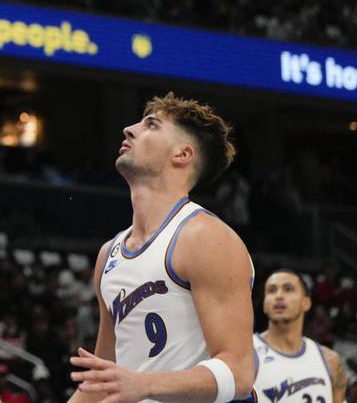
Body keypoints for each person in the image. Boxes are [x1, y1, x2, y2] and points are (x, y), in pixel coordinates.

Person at [67, 94, 257, 403]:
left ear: (182, 154)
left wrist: (145, 384)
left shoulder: (205, 237)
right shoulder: (108, 255)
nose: (129, 129)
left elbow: (239, 373)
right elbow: (104, 380)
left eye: (151, 125)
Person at [253, 269, 349, 403]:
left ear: (306, 303)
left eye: (288, 289)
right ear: (264, 304)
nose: (278, 296)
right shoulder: (245, 352)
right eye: (271, 290)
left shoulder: (331, 361)